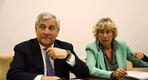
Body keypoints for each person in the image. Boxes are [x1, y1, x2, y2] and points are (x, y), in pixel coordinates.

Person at [7, 12, 89, 80]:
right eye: (42, 27)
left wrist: (68, 56)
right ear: (36, 30)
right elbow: (12, 75)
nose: (46, 32)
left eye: (51, 28)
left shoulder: (66, 47)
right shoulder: (23, 48)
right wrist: (42, 78)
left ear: (57, 32)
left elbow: (84, 73)